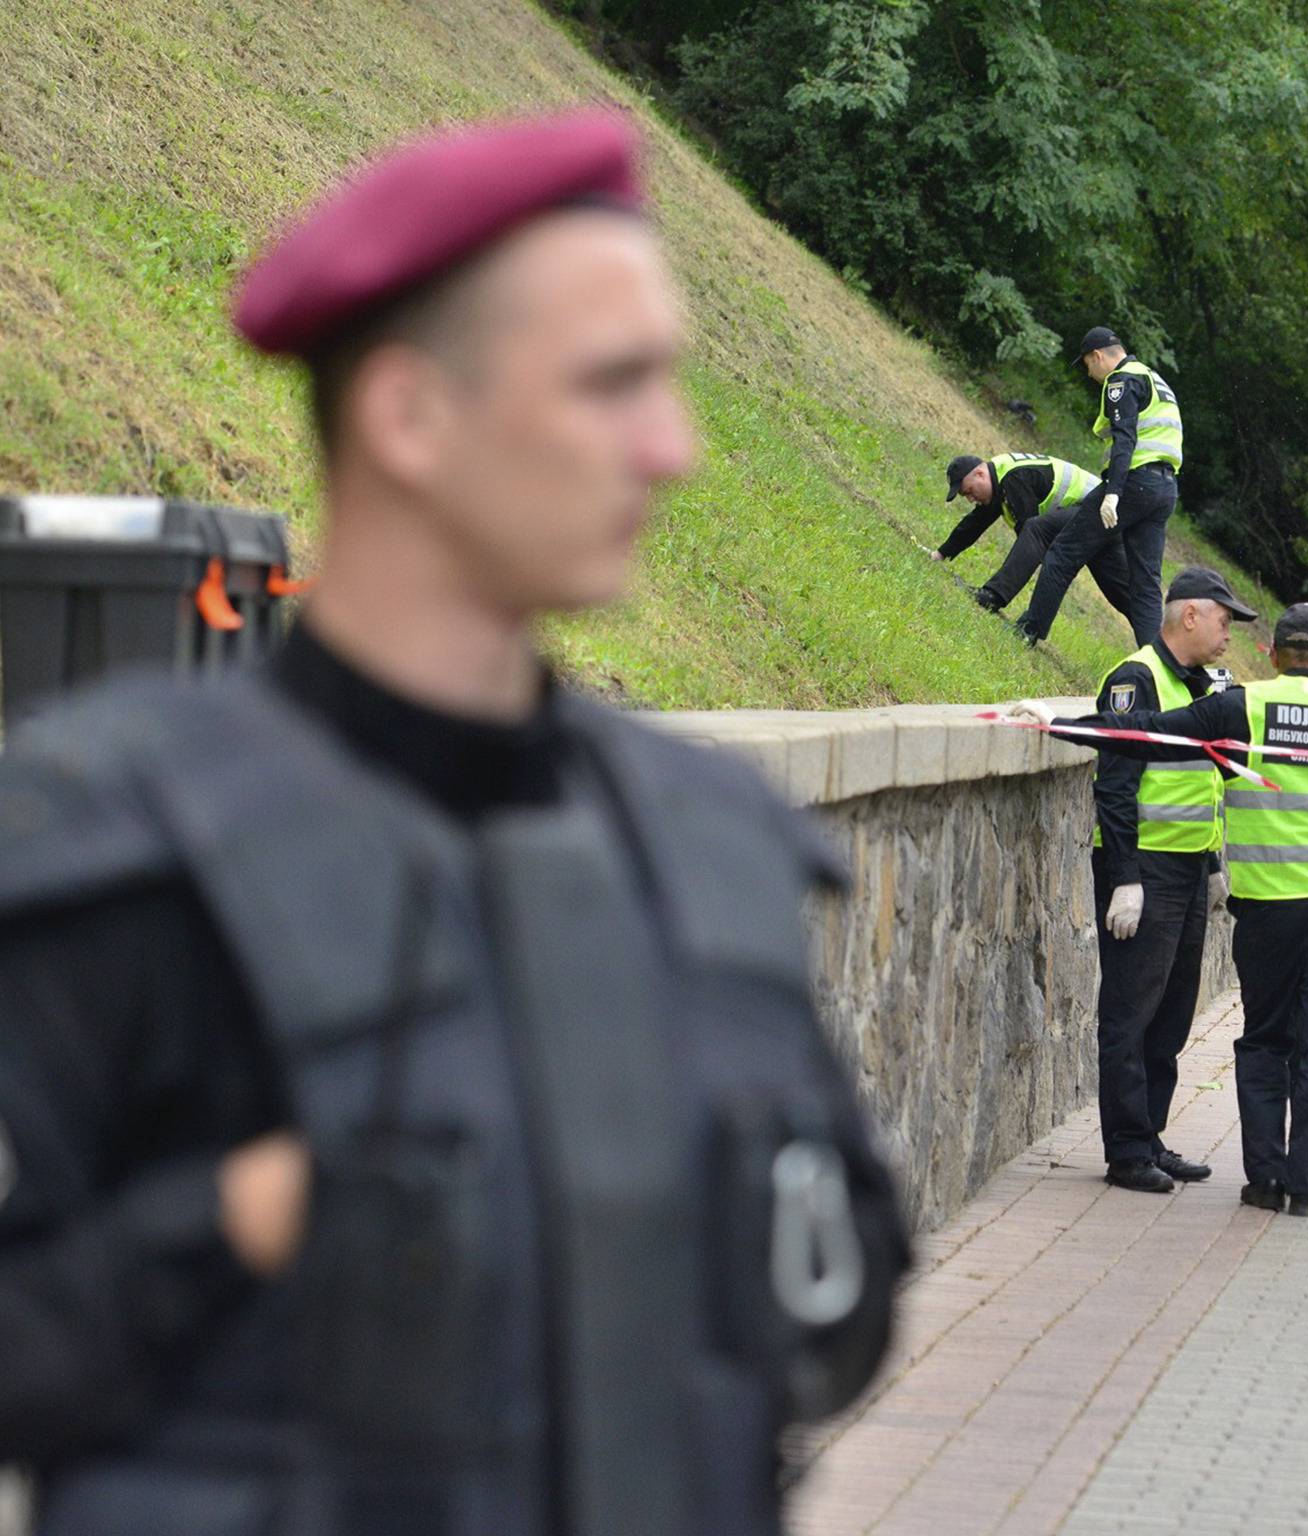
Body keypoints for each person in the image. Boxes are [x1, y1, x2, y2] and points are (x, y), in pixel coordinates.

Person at [0, 111, 907, 1536]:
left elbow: (833, 1306)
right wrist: (236, 1226)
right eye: (614, 385)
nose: (674, 450)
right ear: (410, 414)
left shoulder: (714, 847)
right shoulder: (114, 846)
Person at [1011, 603, 1308, 1217]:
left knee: (1266, 1040)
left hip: (1271, 908)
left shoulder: (1242, 707)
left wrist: (1056, 724)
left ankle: (1265, 1179)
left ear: (1273, 655)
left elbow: (1146, 734)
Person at [1090, 568, 1258, 1193]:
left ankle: (1150, 1135)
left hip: (1188, 871)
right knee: (1131, 1012)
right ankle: (1127, 1149)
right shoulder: (1137, 679)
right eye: (1224, 620)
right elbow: (1114, 779)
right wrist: (1125, 878)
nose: (1228, 635)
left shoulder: (1202, 685)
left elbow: (1208, 782)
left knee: (1172, 1015)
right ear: (1190, 615)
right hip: (1146, 871)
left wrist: (1214, 866)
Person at [1013, 327, 1182, 647]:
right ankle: (1159, 665)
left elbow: (1125, 439)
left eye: (1088, 366)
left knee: (1063, 552)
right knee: (1145, 586)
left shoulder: (1122, 380)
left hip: (1134, 484)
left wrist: (1113, 494)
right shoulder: (1154, 379)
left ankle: (1028, 632)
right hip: (1165, 490)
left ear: (1098, 356)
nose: (1091, 375)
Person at [935, 451, 1130, 618]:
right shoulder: (1000, 475)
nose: (970, 499)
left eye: (968, 491)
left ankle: (992, 596)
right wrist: (940, 554)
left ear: (980, 474)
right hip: (1102, 516)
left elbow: (1031, 540)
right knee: (1125, 595)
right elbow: (975, 523)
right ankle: (1155, 637)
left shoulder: (1013, 478)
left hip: (1100, 509)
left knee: (1033, 531)